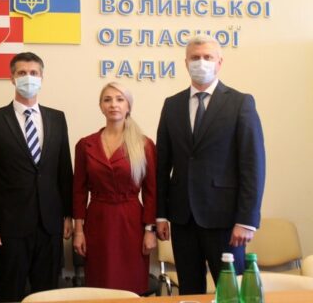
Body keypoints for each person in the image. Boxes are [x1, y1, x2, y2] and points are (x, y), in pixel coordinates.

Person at [156, 35, 266, 295]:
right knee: (190, 293)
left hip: (226, 221)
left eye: (207, 57)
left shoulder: (240, 103)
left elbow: (253, 165)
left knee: (232, 294)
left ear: (219, 62)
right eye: (195, 58)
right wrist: (160, 214)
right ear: (186, 63)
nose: (201, 62)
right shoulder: (172, 105)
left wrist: (247, 220)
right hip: (183, 220)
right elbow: (162, 164)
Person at [0, 52, 73, 302]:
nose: (28, 78)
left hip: (49, 225)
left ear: (42, 77)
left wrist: (68, 215)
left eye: (33, 73)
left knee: (47, 295)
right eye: (22, 73)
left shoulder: (57, 118)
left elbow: (64, 170)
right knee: (11, 294)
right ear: (12, 78)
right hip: (9, 227)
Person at [72, 82, 156, 294]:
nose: (113, 104)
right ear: (101, 106)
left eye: (120, 99)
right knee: (100, 285)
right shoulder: (85, 145)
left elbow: (151, 192)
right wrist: (78, 231)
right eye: (107, 100)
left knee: (131, 285)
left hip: (131, 223)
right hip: (98, 221)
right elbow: (79, 192)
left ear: (128, 106)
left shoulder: (144, 145)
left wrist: (150, 230)